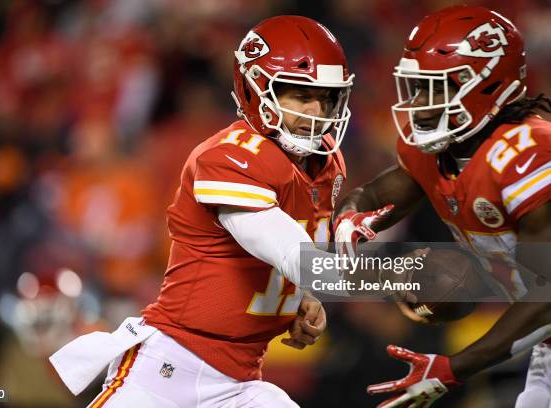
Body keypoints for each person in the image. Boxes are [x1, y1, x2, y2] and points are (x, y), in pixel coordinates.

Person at [50, 15, 354, 407]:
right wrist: (413, 276)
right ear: (255, 89)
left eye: (327, 97)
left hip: (242, 382)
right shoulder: (230, 156)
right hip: (167, 372)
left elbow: (292, 260)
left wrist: (303, 299)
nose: (317, 110)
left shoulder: (326, 165)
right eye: (300, 93)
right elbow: (288, 249)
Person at [332, 5, 551, 408]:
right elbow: (376, 197)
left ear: (488, 85)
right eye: (417, 87)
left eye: (437, 88)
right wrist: (347, 219)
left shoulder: (528, 152)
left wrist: (454, 367)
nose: (421, 102)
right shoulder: (436, 153)